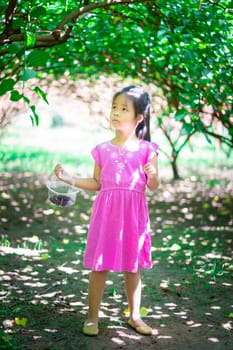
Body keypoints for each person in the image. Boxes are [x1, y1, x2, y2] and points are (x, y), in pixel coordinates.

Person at [54, 85, 159, 336]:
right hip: (107, 214)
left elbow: (153, 186)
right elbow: (97, 183)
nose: (116, 112)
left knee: (132, 267)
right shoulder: (102, 149)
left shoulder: (147, 149)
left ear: (139, 117)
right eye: (114, 107)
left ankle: (135, 316)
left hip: (133, 216)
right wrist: (69, 179)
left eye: (124, 108)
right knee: (99, 266)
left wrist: (153, 175)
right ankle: (92, 317)